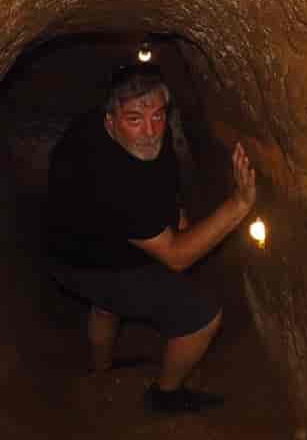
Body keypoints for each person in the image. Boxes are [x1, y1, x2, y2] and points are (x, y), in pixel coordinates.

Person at [43, 61, 257, 414]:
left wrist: (178, 216)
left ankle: (102, 373)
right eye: (134, 120)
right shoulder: (116, 181)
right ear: (110, 120)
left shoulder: (103, 130)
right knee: (200, 313)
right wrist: (239, 205)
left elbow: (163, 181)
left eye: (158, 115)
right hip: (86, 262)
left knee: (105, 304)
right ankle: (166, 396)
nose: (150, 130)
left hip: (74, 240)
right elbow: (176, 256)